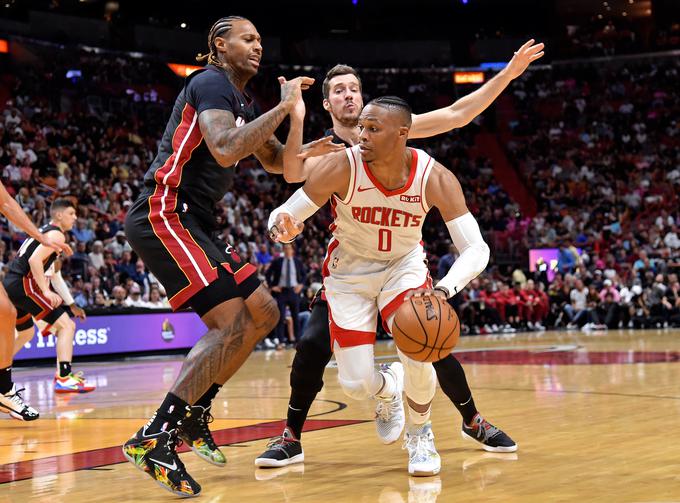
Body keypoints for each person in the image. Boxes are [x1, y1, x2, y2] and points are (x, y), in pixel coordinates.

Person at [255, 38, 546, 468]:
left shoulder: (405, 139)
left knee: (427, 341)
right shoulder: (332, 155)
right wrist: (293, 120)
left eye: (355, 88)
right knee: (328, 358)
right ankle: (338, 413)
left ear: (395, 129)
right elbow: (292, 177)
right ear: (328, 103)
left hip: (402, 265)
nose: (350, 96)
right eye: (339, 90)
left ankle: (439, 427)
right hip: (349, 266)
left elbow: (458, 113)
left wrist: (507, 74)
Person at [120, 16, 341, 496]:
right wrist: (284, 108)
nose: (258, 46)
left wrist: (309, 137)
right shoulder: (209, 82)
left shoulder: (243, 101)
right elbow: (222, 149)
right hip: (166, 212)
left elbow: (284, 167)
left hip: (199, 221)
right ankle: (153, 437)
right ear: (219, 45)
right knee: (229, 323)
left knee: (263, 312)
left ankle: (196, 411)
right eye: (248, 38)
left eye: (261, 39)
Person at [0, 191, 72, 421]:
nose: (75, 218)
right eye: (71, 213)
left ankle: (2, 383)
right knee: (66, 325)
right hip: (23, 283)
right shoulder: (56, 234)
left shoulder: (47, 232)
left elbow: (8, 204)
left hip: (12, 280)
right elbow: (34, 261)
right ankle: (64, 376)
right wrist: (45, 291)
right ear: (59, 215)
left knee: (23, 329)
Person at [12, 256, 93, 393]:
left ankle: (62, 375)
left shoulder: (53, 254)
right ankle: (63, 377)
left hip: (26, 295)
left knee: (23, 336)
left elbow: (56, 278)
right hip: (27, 294)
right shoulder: (42, 249)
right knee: (66, 327)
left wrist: (72, 305)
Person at [265, 243, 307, 346]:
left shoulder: (297, 262)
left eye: (289, 248)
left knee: (295, 317)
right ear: (283, 250)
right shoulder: (278, 261)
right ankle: (281, 342)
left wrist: (301, 285)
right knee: (281, 317)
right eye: (286, 248)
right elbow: (268, 273)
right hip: (281, 292)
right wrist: (272, 286)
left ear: (293, 250)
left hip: (294, 292)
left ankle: (297, 341)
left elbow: (304, 275)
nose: (287, 250)